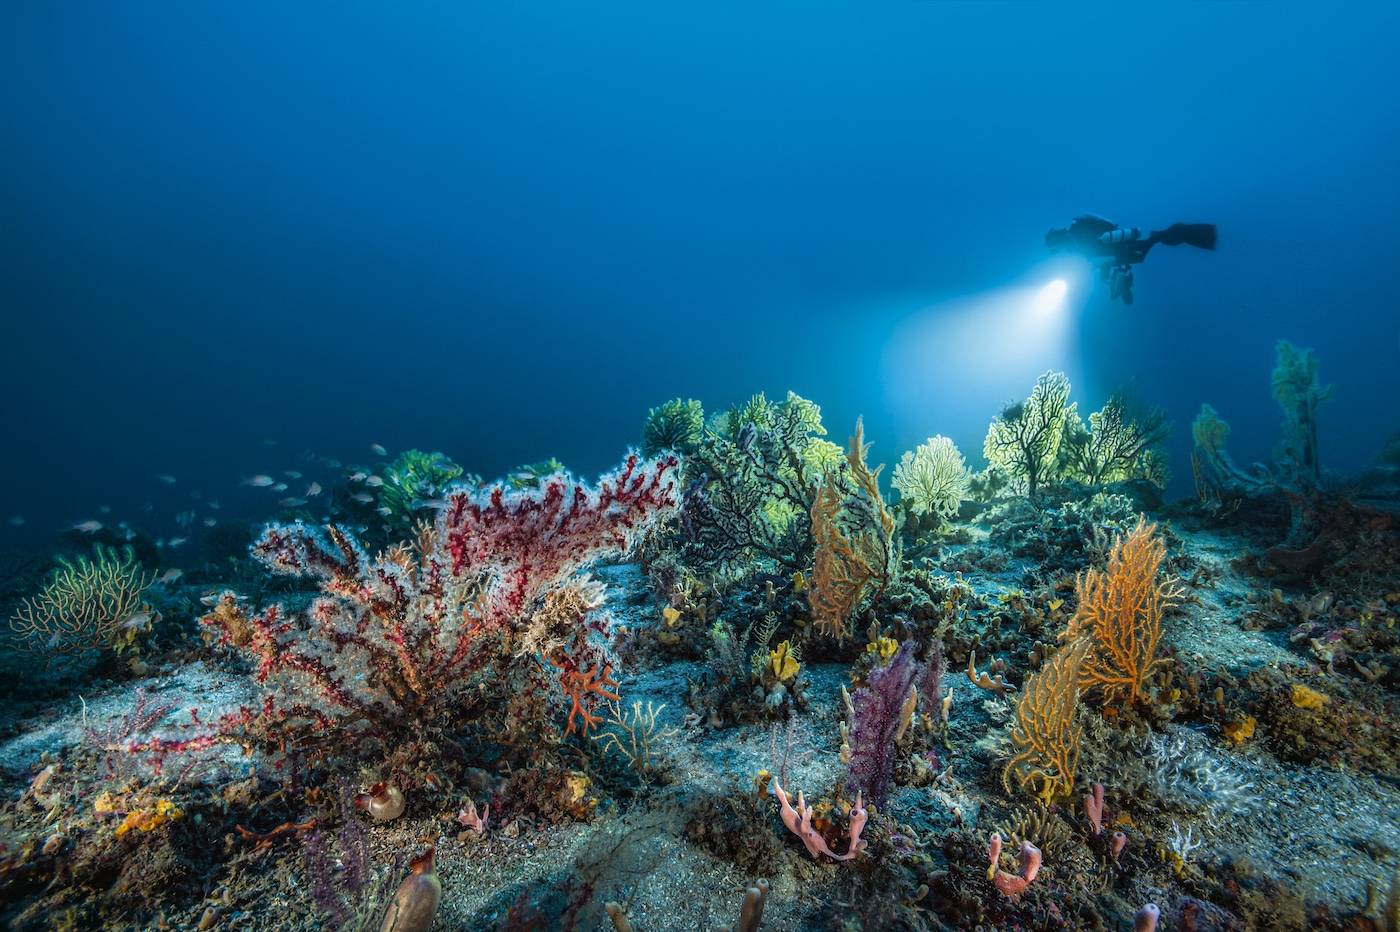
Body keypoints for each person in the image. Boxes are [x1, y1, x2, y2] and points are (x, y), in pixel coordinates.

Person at [1045, 214, 1216, 304]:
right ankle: (1195, 234)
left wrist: (1106, 272)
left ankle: (1200, 233)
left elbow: (1100, 254)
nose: (1062, 251)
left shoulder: (1078, 237)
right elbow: (1101, 257)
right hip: (1123, 252)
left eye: (1058, 248)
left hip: (1125, 250)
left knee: (1159, 238)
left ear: (1059, 240)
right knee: (1157, 239)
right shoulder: (1079, 241)